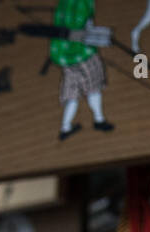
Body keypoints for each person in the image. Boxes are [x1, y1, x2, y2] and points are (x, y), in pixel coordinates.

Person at [51, 0, 114, 139]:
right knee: (93, 86)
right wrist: (103, 37)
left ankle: (65, 127)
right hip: (82, 54)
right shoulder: (82, 4)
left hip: (63, 56)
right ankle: (99, 120)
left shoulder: (64, 4)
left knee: (73, 91)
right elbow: (81, 30)